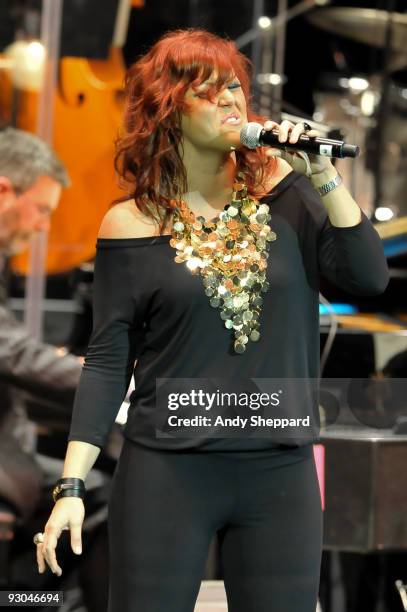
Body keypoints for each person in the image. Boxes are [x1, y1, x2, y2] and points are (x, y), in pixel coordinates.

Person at [35, 29, 389, 612]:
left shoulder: (291, 194)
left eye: (235, 89)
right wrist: (71, 484)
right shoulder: (132, 223)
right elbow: (107, 358)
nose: (232, 102)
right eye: (209, 92)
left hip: (279, 465)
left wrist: (323, 175)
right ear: (168, 111)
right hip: (168, 467)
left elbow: (369, 278)